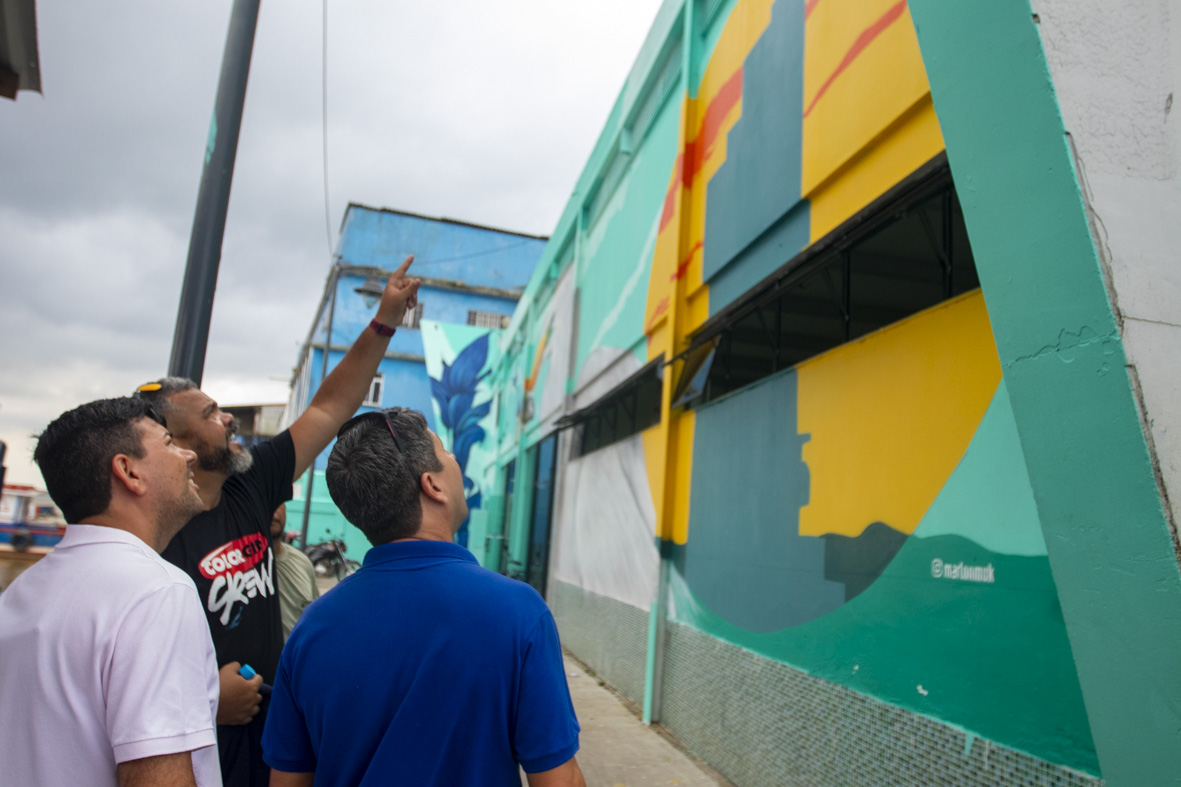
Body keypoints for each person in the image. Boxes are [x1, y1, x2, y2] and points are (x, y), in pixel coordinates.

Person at [134, 256, 420, 786]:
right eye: (212, 414)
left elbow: (330, 408)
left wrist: (384, 321)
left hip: (267, 735)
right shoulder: (154, 528)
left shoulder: (251, 481)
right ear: (177, 444)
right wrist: (204, 700)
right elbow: (123, 668)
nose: (228, 420)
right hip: (196, 744)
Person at [262, 407, 586, 787]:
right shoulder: (518, 614)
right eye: (446, 452)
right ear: (432, 484)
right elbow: (558, 780)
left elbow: (286, 781)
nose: (455, 460)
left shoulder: (310, 630)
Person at [0, 397, 222, 786]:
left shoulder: (21, 593)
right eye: (168, 442)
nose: (188, 454)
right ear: (128, 471)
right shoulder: (156, 591)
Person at [269, 503, 318, 641]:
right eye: (268, 502)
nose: (274, 514)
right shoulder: (238, 564)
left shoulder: (302, 562)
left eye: (279, 503)